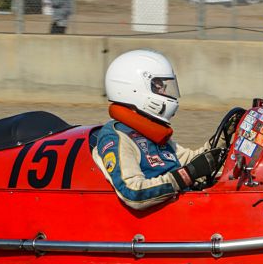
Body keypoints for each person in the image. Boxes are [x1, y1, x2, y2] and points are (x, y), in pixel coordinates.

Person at [94, 49, 224, 210]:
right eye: (158, 87)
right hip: (154, 221)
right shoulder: (116, 137)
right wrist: (187, 175)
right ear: (133, 89)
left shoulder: (152, 131)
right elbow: (132, 192)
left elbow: (192, 161)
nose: (164, 92)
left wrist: (225, 138)